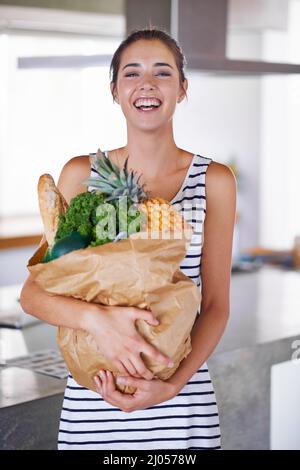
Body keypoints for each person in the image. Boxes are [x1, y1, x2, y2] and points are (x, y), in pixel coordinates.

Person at [20, 28, 236, 450]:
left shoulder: (214, 182)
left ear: (183, 89)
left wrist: (171, 385)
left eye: (163, 72)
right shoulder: (83, 174)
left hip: (181, 411)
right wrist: (98, 321)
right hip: (93, 402)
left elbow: (216, 307)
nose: (147, 84)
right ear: (115, 91)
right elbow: (33, 295)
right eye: (132, 73)